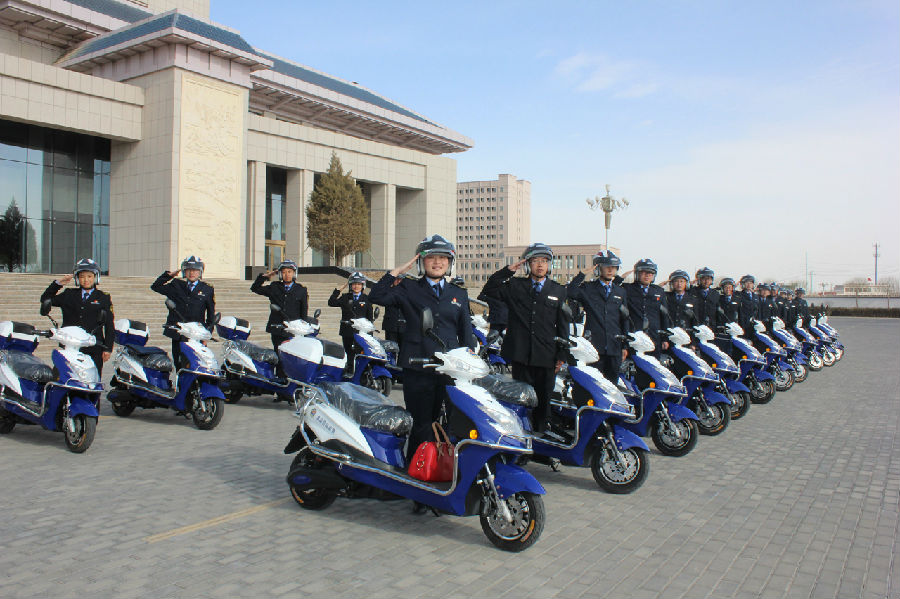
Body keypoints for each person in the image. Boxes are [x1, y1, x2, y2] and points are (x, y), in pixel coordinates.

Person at [368, 234, 475, 466]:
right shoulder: (408, 287)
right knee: (422, 423)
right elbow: (376, 296)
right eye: (431, 258)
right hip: (418, 367)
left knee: (454, 422)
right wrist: (397, 271)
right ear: (420, 262)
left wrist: (470, 362)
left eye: (443, 258)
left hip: (450, 369)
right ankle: (416, 471)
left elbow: (465, 331)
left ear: (450, 262)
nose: (437, 263)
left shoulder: (459, 293)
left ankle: (447, 466)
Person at [480, 243, 569, 433]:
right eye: (535, 261)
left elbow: (563, 324)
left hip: (547, 356)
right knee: (521, 401)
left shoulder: (558, 291)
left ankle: (541, 439)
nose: (540, 265)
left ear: (549, 265)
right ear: (528, 264)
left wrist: (562, 354)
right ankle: (522, 441)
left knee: (543, 402)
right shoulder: (515, 285)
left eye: (544, 261)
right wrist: (507, 272)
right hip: (521, 355)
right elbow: (488, 290)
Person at [40, 258, 114, 374]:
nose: (86, 280)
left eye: (89, 276)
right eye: (82, 276)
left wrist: (108, 348)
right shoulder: (69, 294)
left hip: (93, 346)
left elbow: (109, 325)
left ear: (95, 277)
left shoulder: (103, 297)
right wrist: (58, 284)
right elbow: (45, 299)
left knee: (92, 383)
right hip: (71, 345)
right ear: (77, 278)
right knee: (65, 378)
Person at [566, 249, 631, 383]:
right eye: (606, 267)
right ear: (598, 268)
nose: (610, 270)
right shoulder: (589, 288)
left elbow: (624, 319)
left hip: (614, 346)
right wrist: (582, 274)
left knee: (612, 385)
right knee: (594, 384)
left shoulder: (620, 291)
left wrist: (624, 346)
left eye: (613, 267)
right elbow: (570, 292)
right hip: (594, 347)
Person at [151, 256, 216, 368]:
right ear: (184, 271)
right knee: (179, 364)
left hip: (196, 334)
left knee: (196, 363)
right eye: (188, 270)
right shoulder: (176, 285)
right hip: (179, 334)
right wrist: (169, 276)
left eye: (195, 270)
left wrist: (206, 335)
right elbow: (156, 287)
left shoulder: (207, 289)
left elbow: (211, 315)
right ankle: (180, 384)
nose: (192, 273)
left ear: (200, 272)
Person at [250, 260, 309, 376]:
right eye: (284, 272)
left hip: (293, 330)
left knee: (292, 357)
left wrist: (304, 329)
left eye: (290, 272)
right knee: (280, 356)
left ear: (294, 273)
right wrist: (264, 277)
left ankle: (289, 380)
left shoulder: (301, 290)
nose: (287, 274)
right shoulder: (274, 287)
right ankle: (280, 381)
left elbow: (304, 311)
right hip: (277, 329)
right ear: (280, 274)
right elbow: (255, 288)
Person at [328, 271, 374, 373]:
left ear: (363, 285)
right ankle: (349, 371)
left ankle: (361, 373)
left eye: (358, 284)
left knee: (361, 353)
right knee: (349, 353)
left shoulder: (366, 299)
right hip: (347, 331)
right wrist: (339, 290)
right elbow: (331, 302)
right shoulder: (345, 297)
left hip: (361, 332)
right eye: (354, 284)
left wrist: (370, 333)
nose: (356, 286)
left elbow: (370, 317)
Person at [623, 258, 670, 355]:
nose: (647, 275)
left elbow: (664, 316)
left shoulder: (659, 291)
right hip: (635, 337)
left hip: (654, 337)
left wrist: (665, 338)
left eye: (651, 273)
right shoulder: (627, 289)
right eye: (644, 272)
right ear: (637, 274)